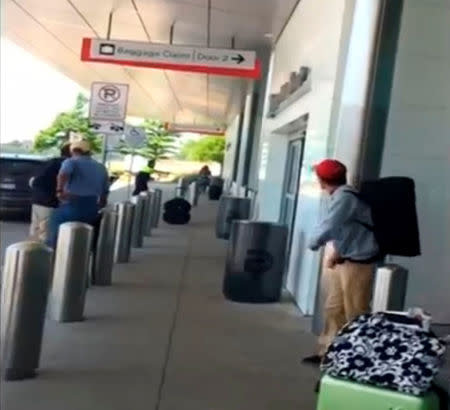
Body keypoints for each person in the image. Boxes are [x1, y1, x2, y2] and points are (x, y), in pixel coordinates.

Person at [302, 159, 379, 366]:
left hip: (358, 262)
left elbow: (330, 225)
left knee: (355, 310)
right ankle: (329, 352)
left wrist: (312, 243)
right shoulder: (341, 195)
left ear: (321, 181)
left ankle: (356, 359)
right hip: (344, 258)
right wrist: (336, 250)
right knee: (334, 308)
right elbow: (344, 229)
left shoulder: (345, 197)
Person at [47, 140, 109, 249]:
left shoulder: (71, 162)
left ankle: (53, 252)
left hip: (72, 202)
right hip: (92, 204)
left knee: (55, 227)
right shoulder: (100, 167)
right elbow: (105, 190)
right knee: (86, 232)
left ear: (74, 151)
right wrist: (102, 201)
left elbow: (63, 175)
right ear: (88, 152)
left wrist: (59, 190)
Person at [29, 143, 71, 242]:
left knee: (36, 228)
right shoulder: (67, 164)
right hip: (51, 201)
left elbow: (33, 180)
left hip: (37, 199)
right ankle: (42, 253)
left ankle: (30, 251)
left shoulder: (49, 162)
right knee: (45, 231)